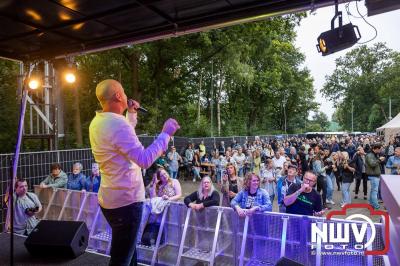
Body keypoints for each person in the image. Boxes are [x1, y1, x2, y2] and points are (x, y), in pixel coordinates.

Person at [89, 79, 180, 266]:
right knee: (121, 259)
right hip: (127, 202)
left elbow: (122, 140)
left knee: (129, 253)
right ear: (118, 96)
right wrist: (165, 134)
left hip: (110, 199)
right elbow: (144, 159)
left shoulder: (98, 122)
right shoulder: (117, 125)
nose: (127, 95)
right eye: (123, 91)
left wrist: (130, 114)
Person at [366, 143, 385, 210]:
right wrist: (379, 160)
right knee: (374, 191)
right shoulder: (370, 155)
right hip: (373, 175)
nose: (381, 150)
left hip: (374, 175)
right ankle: (376, 206)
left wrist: (380, 160)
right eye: (380, 149)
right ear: (376, 149)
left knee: (373, 191)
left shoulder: (373, 154)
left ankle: (371, 205)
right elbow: (372, 164)